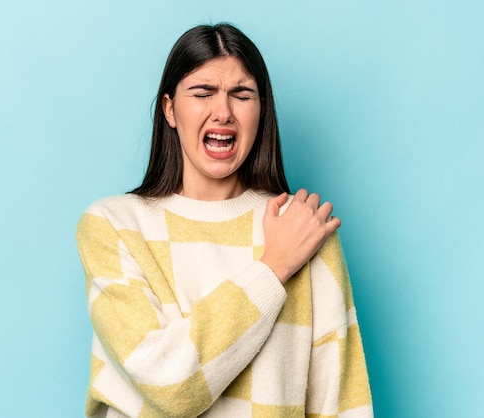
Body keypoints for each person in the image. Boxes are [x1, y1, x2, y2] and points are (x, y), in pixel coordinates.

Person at [76, 23, 373, 418]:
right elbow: (170, 385)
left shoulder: (304, 229)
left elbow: (343, 403)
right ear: (170, 110)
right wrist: (274, 267)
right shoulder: (112, 226)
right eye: (202, 93)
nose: (223, 112)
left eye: (242, 94)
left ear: (261, 110)